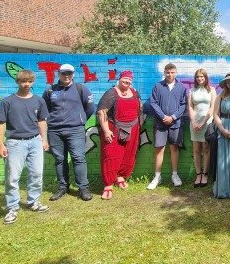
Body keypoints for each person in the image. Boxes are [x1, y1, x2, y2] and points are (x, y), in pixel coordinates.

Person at [0, 69, 50, 224]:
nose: (27, 84)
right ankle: (12, 207)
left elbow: (42, 121)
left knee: (37, 174)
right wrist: (0, 145)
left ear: (33, 82)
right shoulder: (8, 101)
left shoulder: (39, 101)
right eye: (23, 81)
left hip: (35, 141)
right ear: (17, 82)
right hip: (15, 143)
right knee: (12, 177)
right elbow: (0, 124)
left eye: (29, 81)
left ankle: (33, 202)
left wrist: (44, 140)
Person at [43, 63, 94, 202]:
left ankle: (83, 188)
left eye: (69, 73)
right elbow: (45, 109)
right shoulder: (50, 91)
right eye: (64, 73)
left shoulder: (81, 89)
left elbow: (89, 108)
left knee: (78, 158)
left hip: (75, 130)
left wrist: (80, 120)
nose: (66, 76)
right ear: (58, 74)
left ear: (73, 74)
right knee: (59, 160)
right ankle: (63, 187)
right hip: (55, 131)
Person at [96, 71, 143, 200]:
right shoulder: (111, 93)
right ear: (120, 79)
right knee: (111, 155)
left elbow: (140, 108)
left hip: (132, 128)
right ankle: (108, 185)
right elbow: (102, 112)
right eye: (124, 80)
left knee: (128, 154)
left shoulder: (134, 92)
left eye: (129, 80)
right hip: (113, 129)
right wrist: (106, 130)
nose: (127, 82)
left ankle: (120, 177)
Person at [147, 63, 188, 190]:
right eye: (168, 72)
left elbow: (183, 104)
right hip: (160, 123)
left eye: (172, 72)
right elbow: (153, 102)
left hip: (176, 123)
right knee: (159, 149)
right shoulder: (158, 86)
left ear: (176, 73)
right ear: (164, 72)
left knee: (174, 148)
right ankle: (157, 177)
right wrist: (163, 116)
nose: (170, 75)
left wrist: (173, 117)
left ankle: (174, 175)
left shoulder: (181, 87)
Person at [189, 68, 216, 188]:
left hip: (207, 123)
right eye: (198, 77)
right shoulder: (191, 91)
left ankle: (205, 174)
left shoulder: (212, 90)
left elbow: (212, 108)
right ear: (195, 78)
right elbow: (190, 107)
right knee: (196, 150)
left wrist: (204, 122)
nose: (200, 78)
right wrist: (194, 122)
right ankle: (198, 174)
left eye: (202, 76)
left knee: (206, 149)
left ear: (205, 78)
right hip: (194, 124)